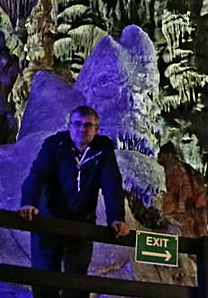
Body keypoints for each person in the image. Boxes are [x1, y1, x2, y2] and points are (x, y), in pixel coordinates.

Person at [18, 105, 131, 298]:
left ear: (96, 129)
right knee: (45, 277)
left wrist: (116, 217)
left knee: (77, 281)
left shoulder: (102, 149)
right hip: (49, 219)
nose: (82, 129)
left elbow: (111, 183)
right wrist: (29, 202)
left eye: (88, 125)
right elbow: (38, 174)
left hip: (81, 223)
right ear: (69, 126)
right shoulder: (54, 145)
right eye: (77, 124)